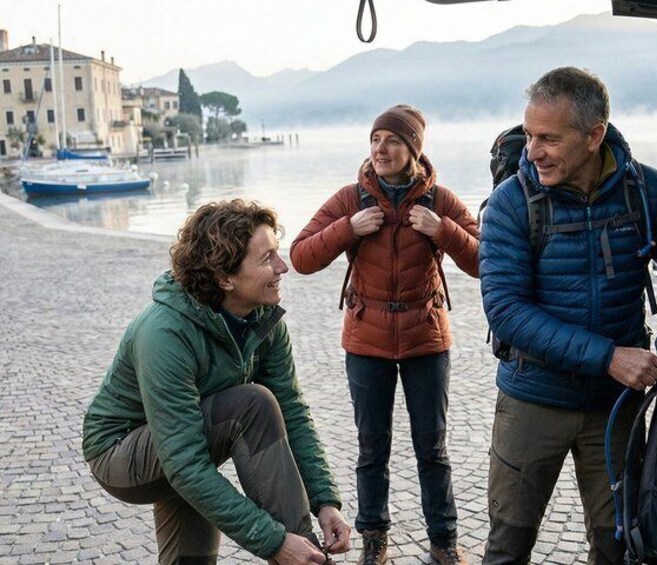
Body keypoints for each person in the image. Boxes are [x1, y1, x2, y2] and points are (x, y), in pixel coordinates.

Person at [478, 67, 657, 565]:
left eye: (548, 138)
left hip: (614, 407)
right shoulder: (510, 203)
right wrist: (609, 357)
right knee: (507, 548)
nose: (532, 152)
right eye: (530, 135)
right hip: (533, 400)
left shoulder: (647, 191)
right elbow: (507, 311)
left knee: (616, 546)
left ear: (593, 135)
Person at [82, 199, 351, 565]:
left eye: (278, 252)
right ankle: (309, 559)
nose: (283, 266)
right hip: (120, 453)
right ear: (225, 277)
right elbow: (185, 462)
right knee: (251, 404)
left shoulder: (264, 319)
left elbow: (292, 412)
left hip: (185, 435)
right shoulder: (164, 333)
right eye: (267, 258)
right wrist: (276, 542)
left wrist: (325, 501)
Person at [290, 105, 479, 565]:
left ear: (413, 149)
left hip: (425, 338)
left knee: (432, 447)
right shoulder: (350, 200)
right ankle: (374, 537)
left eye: (392, 140)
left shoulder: (440, 200)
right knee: (371, 448)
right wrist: (347, 229)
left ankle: (444, 540)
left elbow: (485, 261)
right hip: (367, 340)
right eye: (375, 139)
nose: (381, 148)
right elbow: (300, 256)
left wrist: (444, 231)